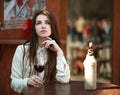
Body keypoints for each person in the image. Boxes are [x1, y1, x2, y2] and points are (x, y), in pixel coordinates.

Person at [10, 9, 70, 93]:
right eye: (38, 23)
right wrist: (26, 81)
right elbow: (13, 83)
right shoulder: (22, 50)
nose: (43, 26)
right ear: (34, 28)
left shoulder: (56, 51)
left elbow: (64, 80)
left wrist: (59, 52)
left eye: (47, 22)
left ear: (52, 27)